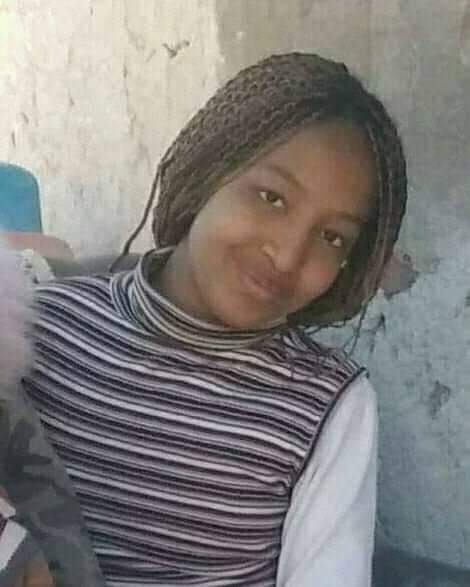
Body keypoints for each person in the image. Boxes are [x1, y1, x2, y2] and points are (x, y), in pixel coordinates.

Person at [21, 52, 407, 586]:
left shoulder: (324, 404)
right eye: (272, 198)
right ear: (209, 169)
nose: (287, 255)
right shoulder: (37, 331)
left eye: (332, 236)